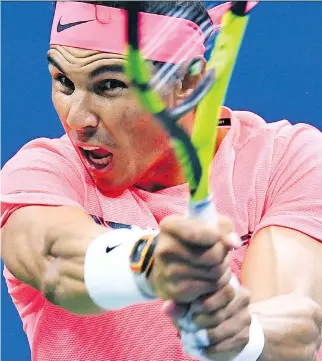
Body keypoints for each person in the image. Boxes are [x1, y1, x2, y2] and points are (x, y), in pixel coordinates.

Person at [1, 1, 322, 361]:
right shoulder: (43, 171)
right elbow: (54, 262)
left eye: (109, 85)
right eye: (64, 82)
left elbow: (300, 322)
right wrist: (150, 263)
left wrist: (244, 334)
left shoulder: (287, 158)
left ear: (187, 82)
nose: (78, 118)